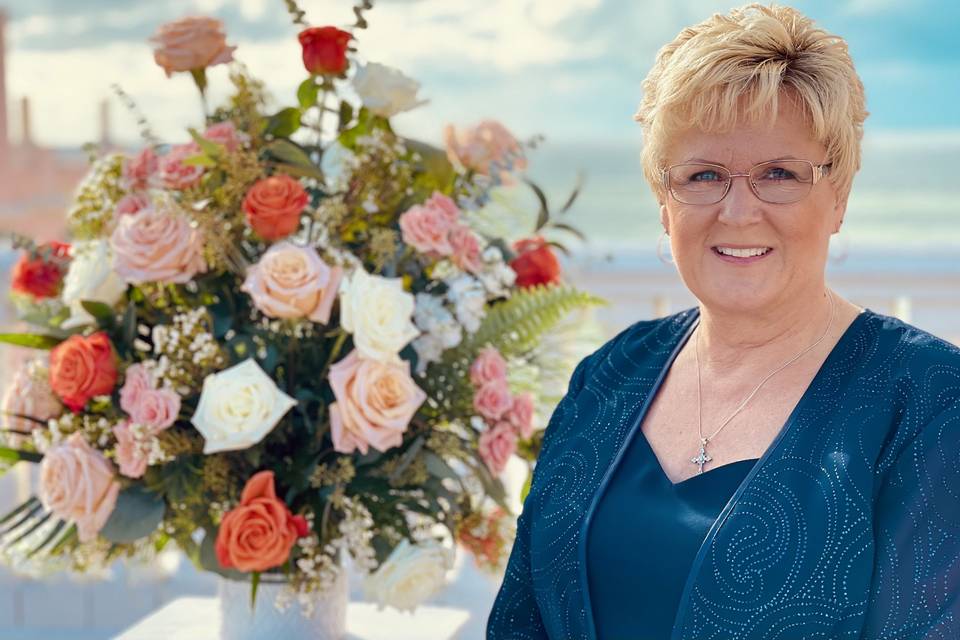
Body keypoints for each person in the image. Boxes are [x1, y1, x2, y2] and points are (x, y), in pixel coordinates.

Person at [486, 4, 960, 639]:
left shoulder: (928, 398)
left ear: (839, 195)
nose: (739, 212)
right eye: (704, 174)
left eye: (780, 175)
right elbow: (523, 620)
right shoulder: (607, 375)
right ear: (663, 199)